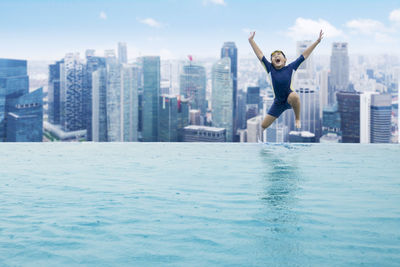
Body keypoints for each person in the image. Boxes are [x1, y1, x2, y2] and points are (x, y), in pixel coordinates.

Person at [248, 30, 323, 131]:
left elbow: (304, 55)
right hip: (278, 103)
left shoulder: (290, 68)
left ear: (285, 60)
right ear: (271, 61)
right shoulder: (270, 69)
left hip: (289, 100)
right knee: (263, 125)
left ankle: (297, 118)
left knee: (294, 95)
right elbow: (260, 54)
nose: (276, 56)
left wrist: (317, 41)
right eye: (274, 56)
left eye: (279, 54)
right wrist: (251, 40)